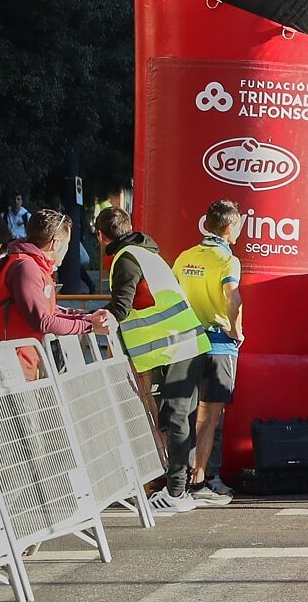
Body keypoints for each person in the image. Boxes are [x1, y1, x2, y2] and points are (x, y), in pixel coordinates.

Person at [93, 207, 207, 513]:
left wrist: (93, 321)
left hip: (173, 349)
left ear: (101, 237)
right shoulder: (146, 253)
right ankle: (179, 489)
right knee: (176, 419)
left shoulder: (125, 259)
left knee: (177, 419)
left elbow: (121, 306)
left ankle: (177, 492)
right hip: (181, 346)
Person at [173, 201, 247, 506]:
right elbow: (233, 295)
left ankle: (177, 479)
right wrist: (236, 329)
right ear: (229, 228)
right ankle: (200, 481)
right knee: (209, 417)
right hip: (218, 343)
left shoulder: (185, 257)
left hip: (186, 343)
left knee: (185, 414)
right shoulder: (227, 260)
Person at [0, 210, 113, 374]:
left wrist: (85, 318)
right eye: (67, 243)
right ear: (55, 243)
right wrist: (89, 325)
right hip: (12, 366)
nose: (67, 249)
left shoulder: (30, 264)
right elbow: (42, 321)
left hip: (18, 361)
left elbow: (45, 313)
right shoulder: (26, 267)